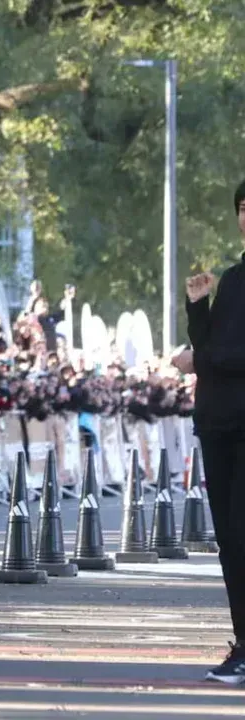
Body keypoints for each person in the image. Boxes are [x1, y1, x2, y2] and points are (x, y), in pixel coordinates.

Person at [172, 178, 245, 684]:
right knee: (230, 541)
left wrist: (202, 358)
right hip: (219, 424)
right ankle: (243, 644)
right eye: (243, 207)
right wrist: (198, 306)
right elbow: (212, 348)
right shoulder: (236, 279)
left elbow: (218, 357)